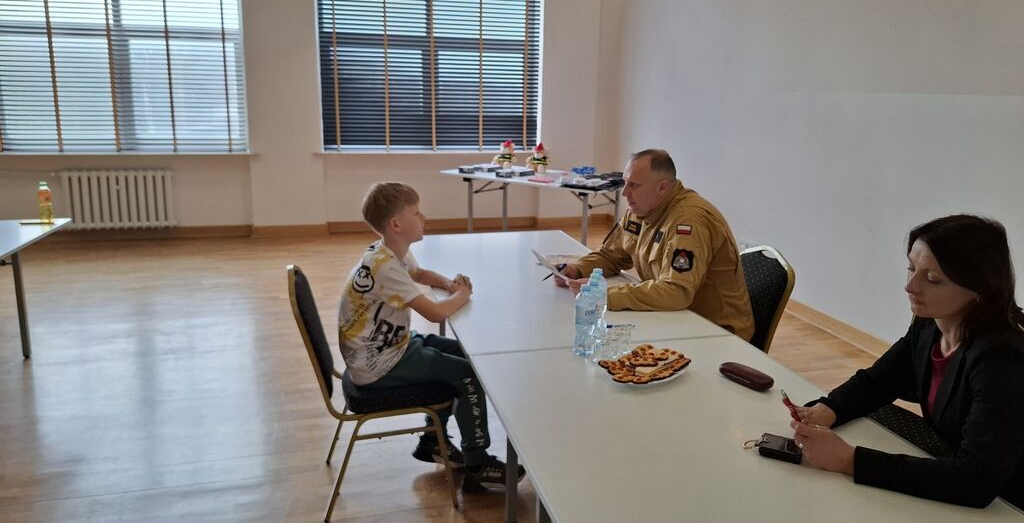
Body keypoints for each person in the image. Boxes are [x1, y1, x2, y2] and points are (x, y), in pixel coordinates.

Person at [791, 214, 1024, 509]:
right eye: (911, 269)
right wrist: (829, 408)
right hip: (956, 467)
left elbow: (976, 481)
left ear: (980, 290)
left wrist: (849, 459)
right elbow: (880, 381)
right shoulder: (930, 324)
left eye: (932, 279)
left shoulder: (1002, 359)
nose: (910, 286)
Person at [338, 182, 525, 493]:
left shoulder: (389, 252)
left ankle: (432, 441)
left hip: (391, 347)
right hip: (380, 364)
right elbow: (436, 315)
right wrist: (462, 295)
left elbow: (420, 274)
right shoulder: (385, 267)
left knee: (471, 356)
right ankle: (478, 462)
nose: (423, 217)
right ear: (396, 224)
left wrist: (449, 284)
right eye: (416, 213)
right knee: (469, 375)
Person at [555, 149, 755, 341]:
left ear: (662, 187)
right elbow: (611, 255)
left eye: (634, 185)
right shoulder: (643, 208)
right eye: (625, 183)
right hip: (676, 318)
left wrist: (607, 294)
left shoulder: (688, 222)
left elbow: (677, 293)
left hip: (716, 332)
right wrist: (578, 268)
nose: (624, 192)